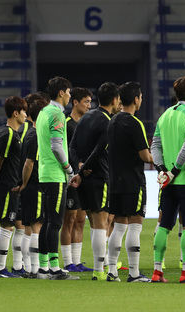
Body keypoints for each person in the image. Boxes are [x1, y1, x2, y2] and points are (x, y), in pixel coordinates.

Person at [150, 77, 185, 283]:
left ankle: (157, 271)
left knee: (164, 225)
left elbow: (154, 145)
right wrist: (174, 171)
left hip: (168, 183)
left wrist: (162, 170)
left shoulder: (164, 115)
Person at [69, 82, 120, 281]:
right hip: (99, 177)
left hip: (86, 181)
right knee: (102, 222)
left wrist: (78, 165)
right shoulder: (108, 122)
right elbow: (99, 150)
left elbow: (72, 146)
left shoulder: (85, 118)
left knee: (93, 222)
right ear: (115, 100)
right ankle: (100, 270)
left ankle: (99, 268)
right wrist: (82, 170)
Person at [103, 81, 154, 282]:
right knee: (135, 225)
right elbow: (144, 156)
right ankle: (133, 273)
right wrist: (157, 158)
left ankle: (112, 271)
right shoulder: (135, 123)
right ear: (136, 99)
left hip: (115, 181)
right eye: (140, 97)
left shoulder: (112, 121)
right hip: (133, 182)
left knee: (119, 226)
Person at [35, 76, 79, 280]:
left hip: (44, 173)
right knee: (55, 222)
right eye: (69, 92)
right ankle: (54, 268)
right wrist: (69, 169)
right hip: (55, 173)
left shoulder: (44, 112)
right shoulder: (57, 114)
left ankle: (43, 267)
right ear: (61, 93)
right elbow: (56, 146)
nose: (70, 96)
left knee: (47, 221)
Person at [0, 96, 27, 278]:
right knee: (7, 226)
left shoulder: (14, 134)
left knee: (20, 226)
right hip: (7, 186)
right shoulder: (8, 134)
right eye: (24, 111)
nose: (26, 115)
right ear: (15, 113)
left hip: (13, 186)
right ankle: (0, 268)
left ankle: (18, 267)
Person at [12, 94, 48, 278]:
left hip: (29, 187)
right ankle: (36, 269)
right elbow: (29, 163)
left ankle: (28, 268)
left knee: (27, 228)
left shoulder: (28, 134)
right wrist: (25, 183)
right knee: (36, 228)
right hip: (34, 186)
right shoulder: (35, 136)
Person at [61, 87, 92, 272]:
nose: (89, 105)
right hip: (72, 177)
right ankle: (67, 262)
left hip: (85, 178)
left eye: (90, 102)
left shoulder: (87, 123)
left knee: (81, 220)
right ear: (75, 102)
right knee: (69, 220)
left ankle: (77, 261)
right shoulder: (66, 124)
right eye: (86, 101)